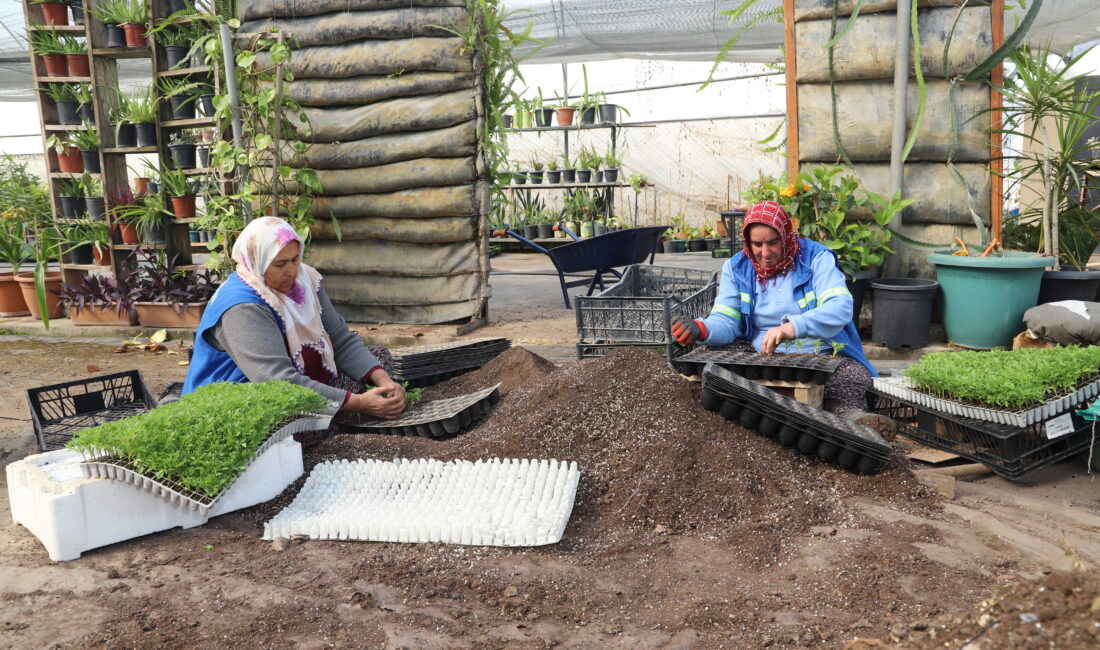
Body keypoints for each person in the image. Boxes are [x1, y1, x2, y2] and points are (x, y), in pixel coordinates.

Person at [671, 200, 882, 420]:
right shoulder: (737, 268)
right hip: (758, 356)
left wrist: (793, 327)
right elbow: (726, 319)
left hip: (819, 355)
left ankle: (853, 420)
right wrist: (701, 329)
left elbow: (840, 307)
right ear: (748, 242)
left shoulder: (816, 258)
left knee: (852, 375)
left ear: (786, 235)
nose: (765, 252)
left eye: (773, 242)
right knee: (707, 358)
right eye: (757, 244)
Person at [183, 217, 406, 421]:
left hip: (295, 378)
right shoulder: (243, 307)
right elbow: (278, 382)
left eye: (295, 259)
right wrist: (357, 403)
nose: (291, 271)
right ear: (257, 262)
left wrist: (384, 382)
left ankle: (341, 410)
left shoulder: (304, 280)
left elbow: (340, 339)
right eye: (280, 264)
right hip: (244, 396)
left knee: (378, 360)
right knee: (290, 423)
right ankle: (337, 416)